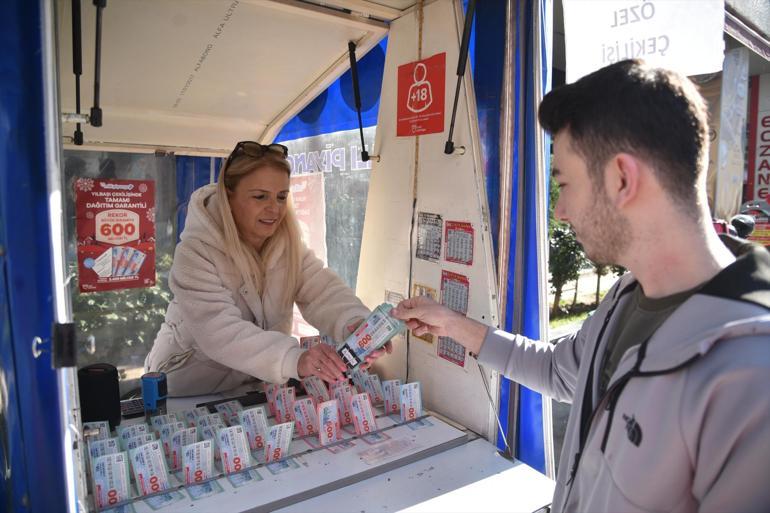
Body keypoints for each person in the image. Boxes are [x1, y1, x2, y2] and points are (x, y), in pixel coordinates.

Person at [392, 59, 770, 512]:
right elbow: (558, 371)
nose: (561, 211)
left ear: (622, 179)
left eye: (565, 183)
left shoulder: (751, 372)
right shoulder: (627, 297)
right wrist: (452, 324)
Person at [145, 141, 389, 396]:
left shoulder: (289, 244)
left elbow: (322, 291)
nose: (274, 208)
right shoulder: (195, 253)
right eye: (260, 196)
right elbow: (219, 331)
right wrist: (296, 359)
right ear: (228, 196)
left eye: (281, 197)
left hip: (255, 386)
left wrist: (354, 323)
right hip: (189, 390)